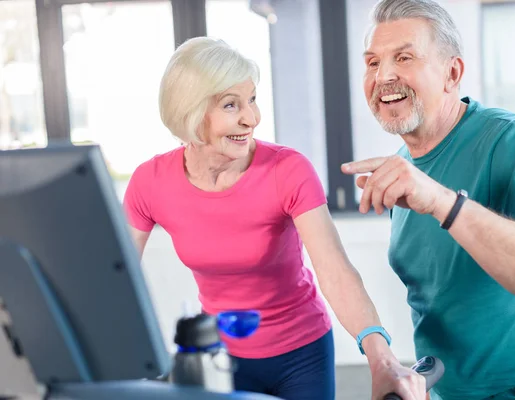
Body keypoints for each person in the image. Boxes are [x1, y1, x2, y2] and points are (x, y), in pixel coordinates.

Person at [123, 36, 420, 400]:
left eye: (251, 100)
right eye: (232, 105)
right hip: (221, 359)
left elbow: (335, 271)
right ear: (191, 112)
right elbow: (118, 280)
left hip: (302, 354)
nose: (252, 118)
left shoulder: (287, 170)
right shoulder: (150, 183)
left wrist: (380, 355)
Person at [341, 0, 515, 399]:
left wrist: (444, 202)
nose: (384, 75)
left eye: (403, 58)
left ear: (452, 73)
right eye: (372, 63)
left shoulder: (513, 140)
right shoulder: (403, 170)